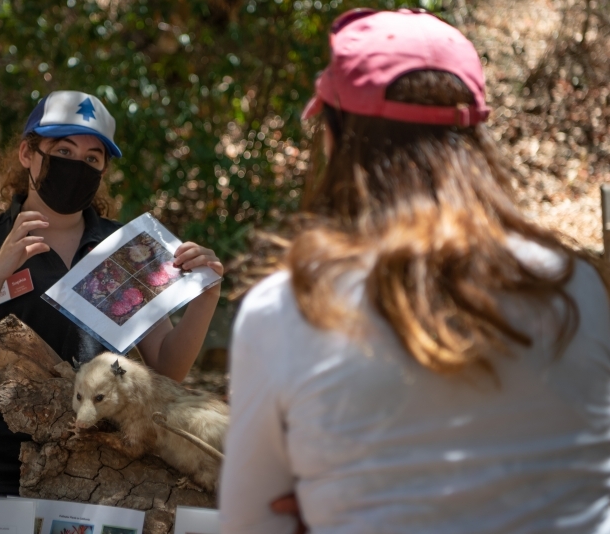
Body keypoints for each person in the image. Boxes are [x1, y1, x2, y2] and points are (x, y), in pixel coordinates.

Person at [219, 8, 610, 533]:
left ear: (334, 138)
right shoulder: (574, 288)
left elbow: (253, 524)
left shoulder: (290, 307)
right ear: (475, 141)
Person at [0, 90, 223, 495]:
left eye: (91, 158)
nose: (76, 166)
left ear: (103, 171)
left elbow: (168, 369)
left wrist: (205, 298)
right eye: (62, 151)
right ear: (27, 154)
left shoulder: (127, 248)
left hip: (100, 468)